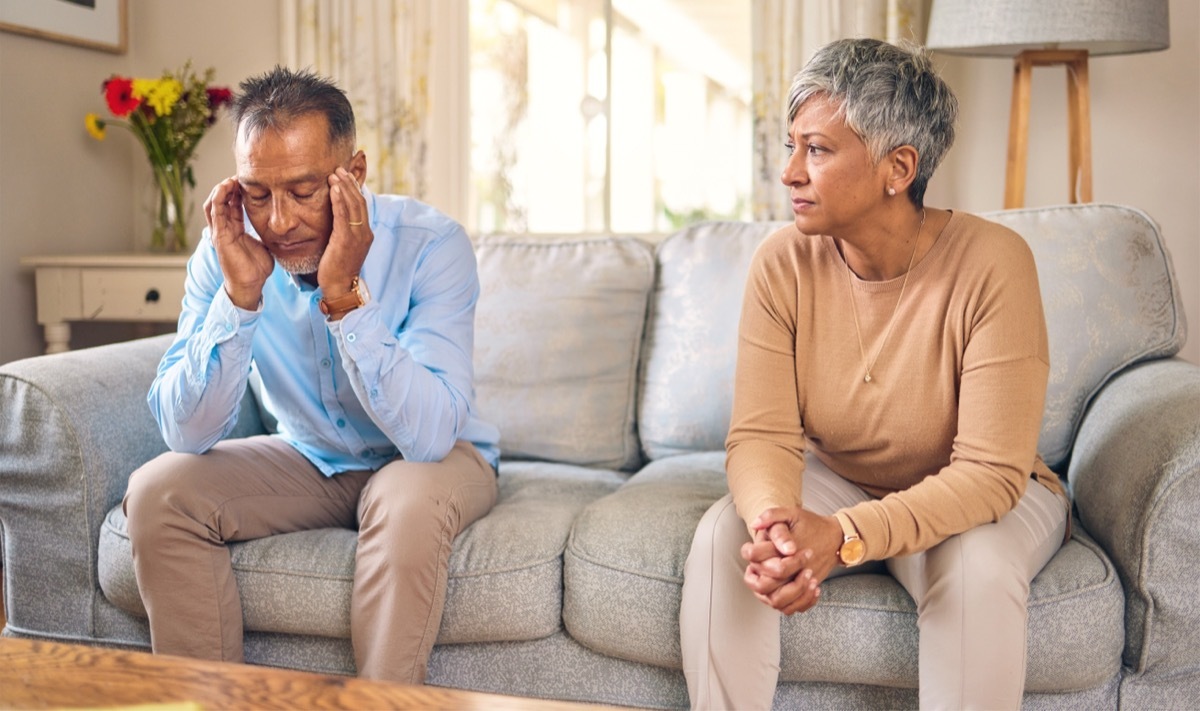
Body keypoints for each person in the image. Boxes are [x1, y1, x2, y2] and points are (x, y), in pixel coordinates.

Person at [679, 38, 1069, 710]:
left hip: (979, 490)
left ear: (898, 168)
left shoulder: (993, 264)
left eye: (818, 150)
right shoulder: (782, 264)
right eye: (791, 146)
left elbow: (988, 473)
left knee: (975, 569)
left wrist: (847, 536)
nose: (790, 173)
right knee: (726, 533)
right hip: (842, 475)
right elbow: (761, 434)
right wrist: (779, 526)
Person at [122, 66, 500, 685]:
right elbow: (185, 433)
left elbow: (429, 437)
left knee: (403, 497)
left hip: (436, 459)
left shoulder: (432, 244)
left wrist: (347, 297)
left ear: (353, 173)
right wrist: (241, 298)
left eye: (303, 191)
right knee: (160, 491)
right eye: (258, 193)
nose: (277, 222)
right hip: (311, 459)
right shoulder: (226, 250)